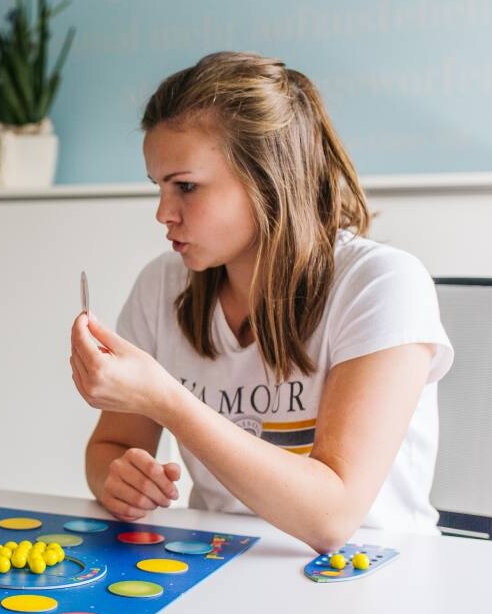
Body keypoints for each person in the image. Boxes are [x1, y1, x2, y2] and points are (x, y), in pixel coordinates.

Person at [69, 52, 452, 553]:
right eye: (159, 187)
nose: (164, 212)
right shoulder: (161, 286)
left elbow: (331, 518)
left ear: (267, 180)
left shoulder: (382, 285)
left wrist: (166, 399)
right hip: (219, 560)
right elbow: (111, 447)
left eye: (186, 186)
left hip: (369, 570)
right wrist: (116, 480)